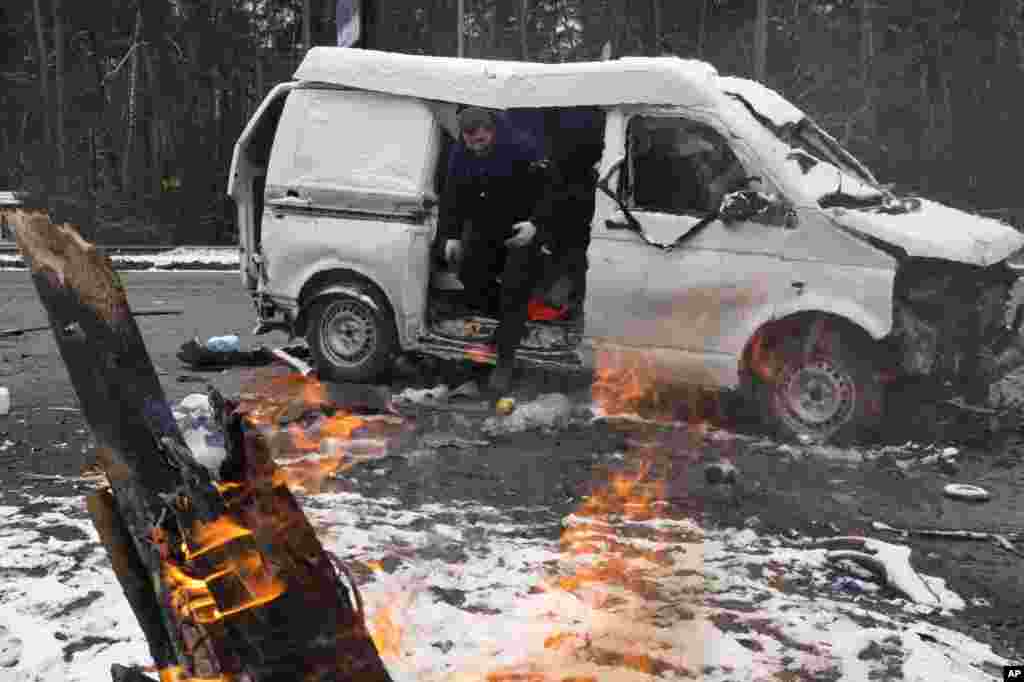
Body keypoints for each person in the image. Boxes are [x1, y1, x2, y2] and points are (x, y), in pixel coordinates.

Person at [437, 106, 548, 393]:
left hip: (521, 228)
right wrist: (451, 236)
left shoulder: (522, 147)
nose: (476, 142)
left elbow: (551, 189)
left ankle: (505, 359)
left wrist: (536, 225)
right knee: (469, 274)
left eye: (481, 136)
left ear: (493, 130)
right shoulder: (461, 152)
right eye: (470, 137)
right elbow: (452, 194)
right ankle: (506, 327)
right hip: (485, 227)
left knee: (514, 284)